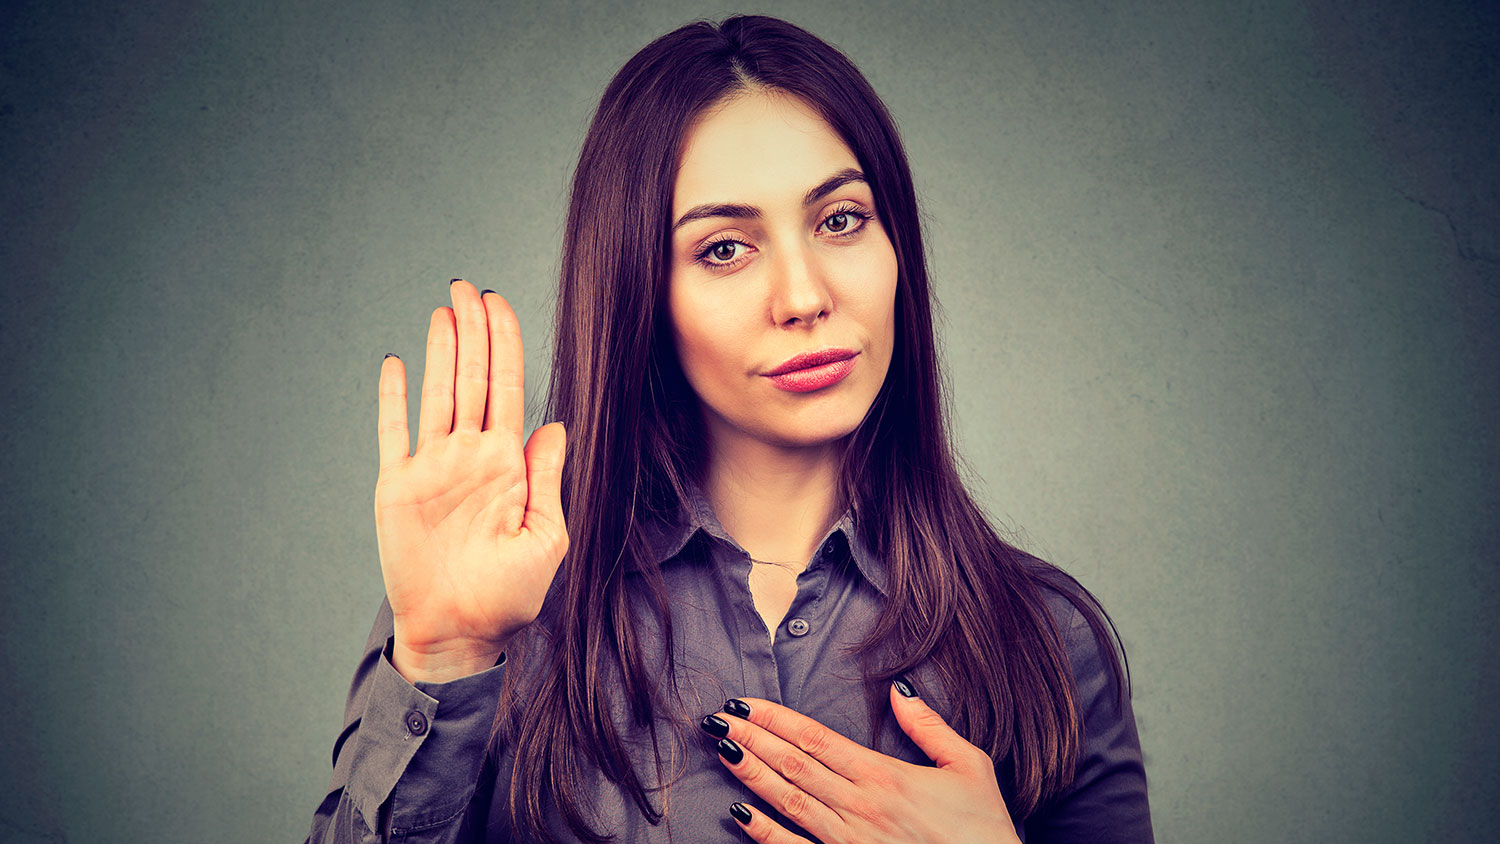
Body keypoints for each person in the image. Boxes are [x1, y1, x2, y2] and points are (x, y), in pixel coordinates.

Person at [304, 14, 1152, 844]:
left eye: (840, 220)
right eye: (723, 249)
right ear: (641, 292)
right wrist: (444, 656)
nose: (804, 297)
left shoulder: (1047, 636)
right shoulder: (499, 606)